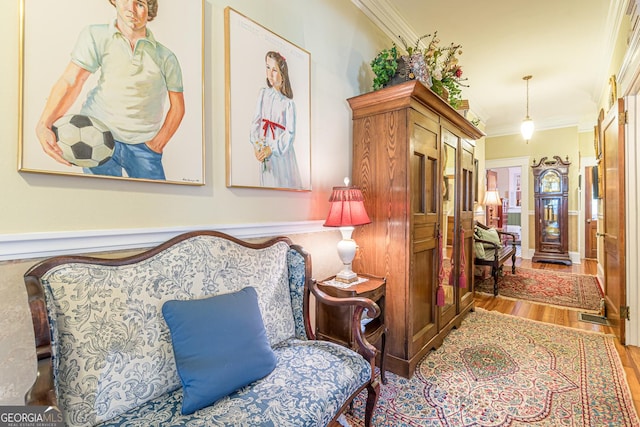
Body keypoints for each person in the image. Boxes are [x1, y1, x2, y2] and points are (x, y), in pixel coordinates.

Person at [35, 0, 184, 180]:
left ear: (150, 11)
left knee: (154, 201)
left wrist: (157, 144)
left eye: (140, 4)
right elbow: (71, 80)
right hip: (94, 136)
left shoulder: (166, 57)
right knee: (100, 201)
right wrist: (44, 124)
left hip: (144, 146)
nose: (131, 8)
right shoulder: (95, 35)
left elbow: (178, 107)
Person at [249, 51, 302, 189]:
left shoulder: (288, 104)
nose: (270, 74)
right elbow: (256, 122)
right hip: (265, 151)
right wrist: (256, 145)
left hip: (281, 155)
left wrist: (271, 149)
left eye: (274, 70)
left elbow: (289, 135)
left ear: (282, 75)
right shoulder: (263, 94)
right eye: (267, 68)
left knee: (281, 183)